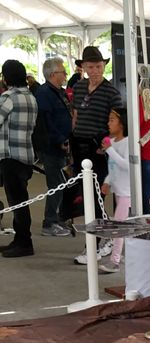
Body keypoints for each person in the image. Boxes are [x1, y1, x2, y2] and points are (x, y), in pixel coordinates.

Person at [71, 46, 122, 264]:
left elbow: (119, 122)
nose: (95, 71)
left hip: (100, 148)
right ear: (82, 67)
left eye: (99, 66)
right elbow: (75, 114)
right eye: (90, 67)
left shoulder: (111, 92)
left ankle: (99, 242)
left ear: (104, 66)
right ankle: (98, 240)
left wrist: (108, 145)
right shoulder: (79, 87)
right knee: (85, 196)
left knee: (99, 195)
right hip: (79, 146)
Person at [0, 60, 38, 258]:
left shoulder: (8, 97)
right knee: (21, 200)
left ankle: (24, 242)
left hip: (10, 157)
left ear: (6, 77)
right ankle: (20, 240)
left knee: (17, 202)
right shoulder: (31, 97)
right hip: (26, 155)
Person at [34, 57, 72, 237]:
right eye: (62, 72)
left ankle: (57, 219)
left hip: (62, 145)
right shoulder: (44, 94)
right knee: (56, 185)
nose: (65, 75)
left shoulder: (58, 92)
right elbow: (45, 123)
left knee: (62, 184)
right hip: (51, 147)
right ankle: (49, 223)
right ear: (51, 74)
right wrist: (59, 140)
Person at [98, 108, 129, 273]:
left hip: (127, 193)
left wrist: (109, 149)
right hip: (119, 191)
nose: (108, 123)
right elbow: (113, 167)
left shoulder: (127, 142)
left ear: (122, 124)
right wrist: (107, 181)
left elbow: (126, 165)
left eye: (112, 120)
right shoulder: (114, 142)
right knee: (121, 225)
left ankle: (114, 261)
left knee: (119, 226)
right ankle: (120, 256)